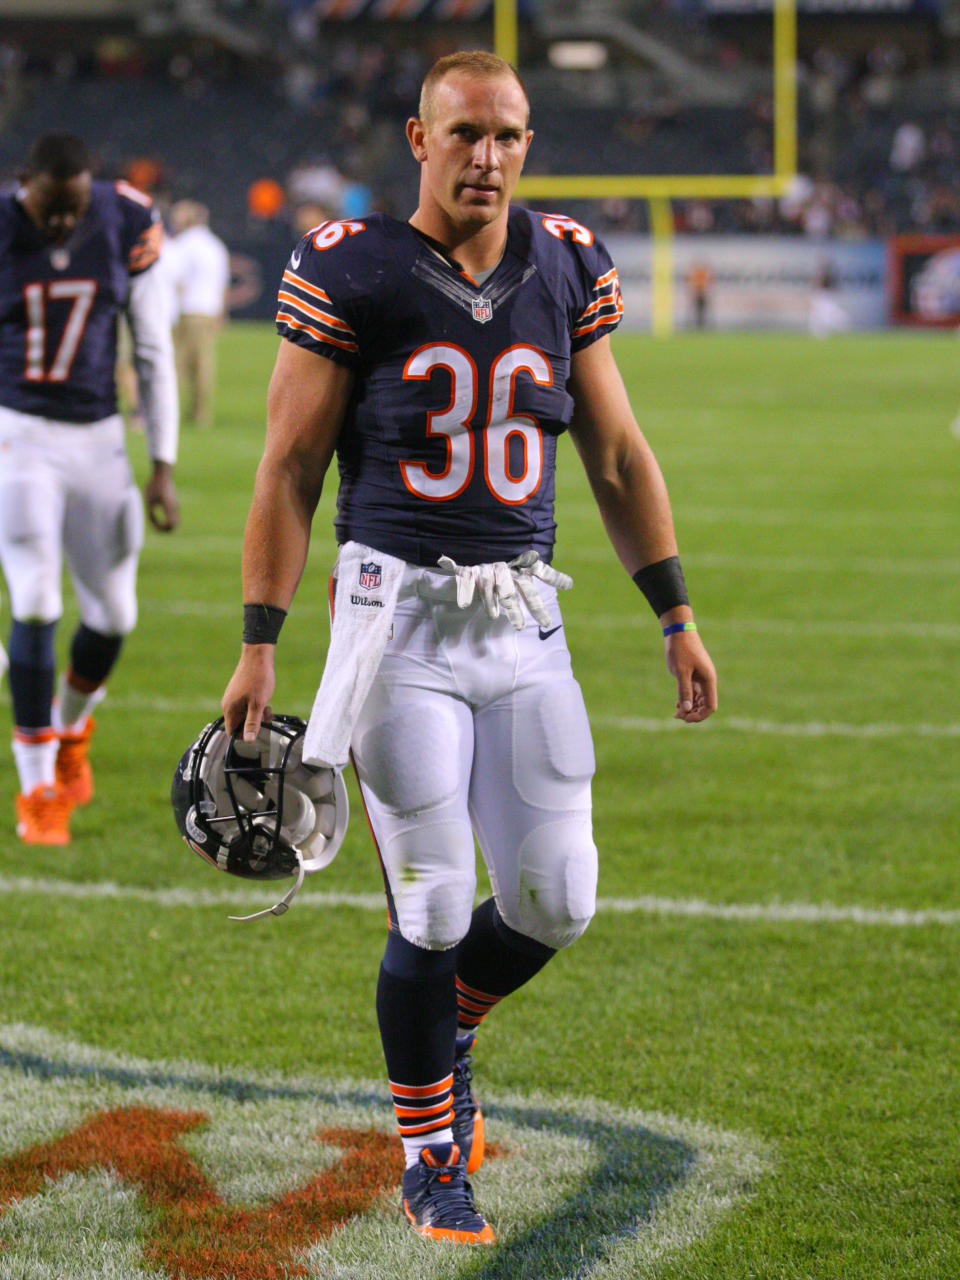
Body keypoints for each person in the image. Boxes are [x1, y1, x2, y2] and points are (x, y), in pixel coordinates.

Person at [220, 51, 717, 1245]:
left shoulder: (566, 260)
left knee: (557, 897)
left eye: (508, 135)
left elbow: (618, 456)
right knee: (436, 904)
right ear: (418, 137)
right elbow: (288, 465)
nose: (487, 156)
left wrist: (676, 613)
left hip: (525, 619)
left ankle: (450, 1031)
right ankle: (430, 1151)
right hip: (398, 626)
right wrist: (259, 642)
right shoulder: (355, 265)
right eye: (465, 134)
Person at [0, 133, 179, 845]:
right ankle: (37, 785)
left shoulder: (127, 217)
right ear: (25, 184)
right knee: (37, 595)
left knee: (113, 615)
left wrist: (162, 460)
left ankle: (70, 730)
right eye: (50, 208)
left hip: (100, 437)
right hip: (20, 434)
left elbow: (153, 346)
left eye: (73, 209)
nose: (62, 225)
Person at [165, 199, 230, 429]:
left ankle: (169, 410)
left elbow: (175, 279)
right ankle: (201, 413)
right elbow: (223, 283)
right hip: (208, 310)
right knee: (203, 363)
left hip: (187, 310)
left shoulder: (183, 244)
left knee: (177, 363)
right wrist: (221, 312)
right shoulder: (216, 245)